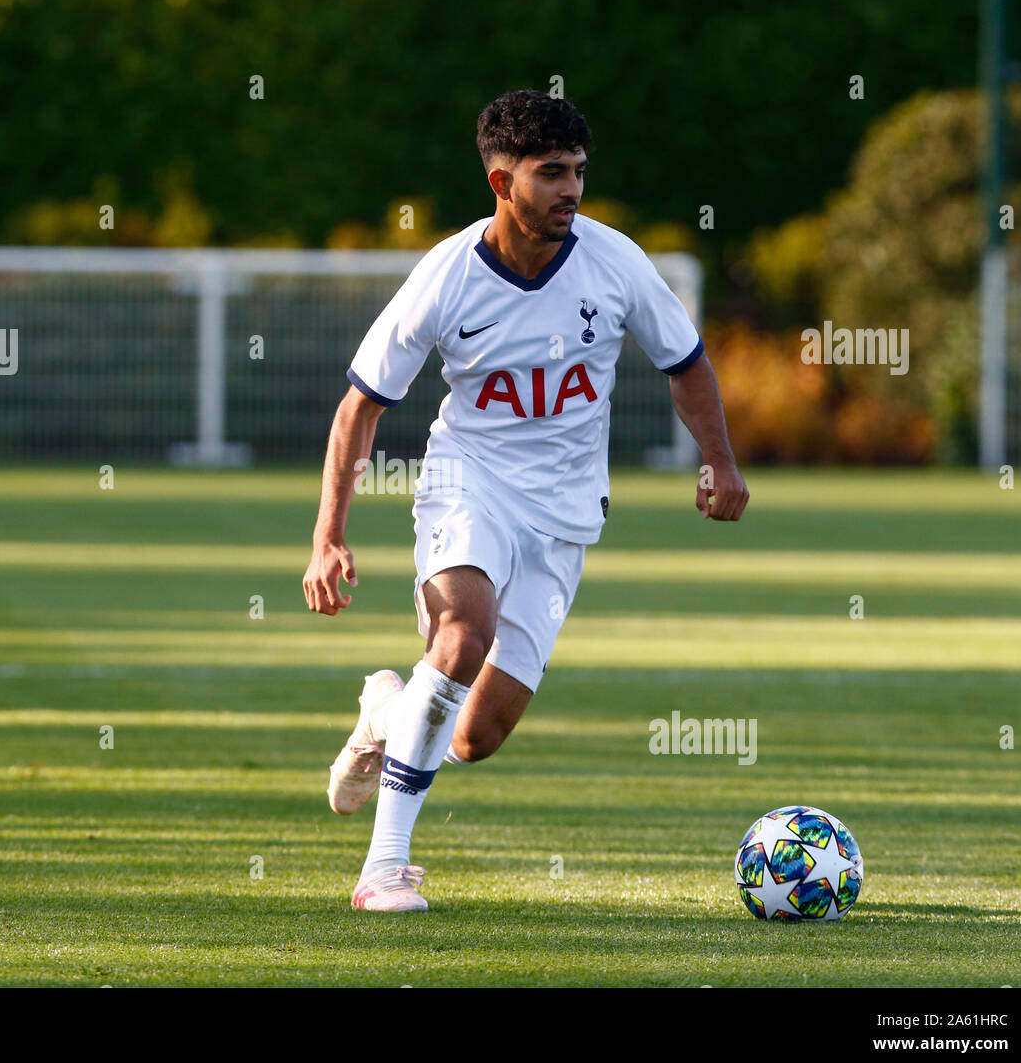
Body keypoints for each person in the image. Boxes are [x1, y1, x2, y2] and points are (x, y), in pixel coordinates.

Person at [302, 89, 749, 911]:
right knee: (462, 634)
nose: (571, 189)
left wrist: (719, 461)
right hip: (466, 480)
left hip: (567, 513)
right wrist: (328, 534)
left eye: (578, 171)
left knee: (475, 736)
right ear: (501, 183)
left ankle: (384, 710)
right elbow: (360, 406)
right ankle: (383, 868)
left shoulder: (614, 261)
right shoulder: (445, 275)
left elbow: (685, 363)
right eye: (551, 174)